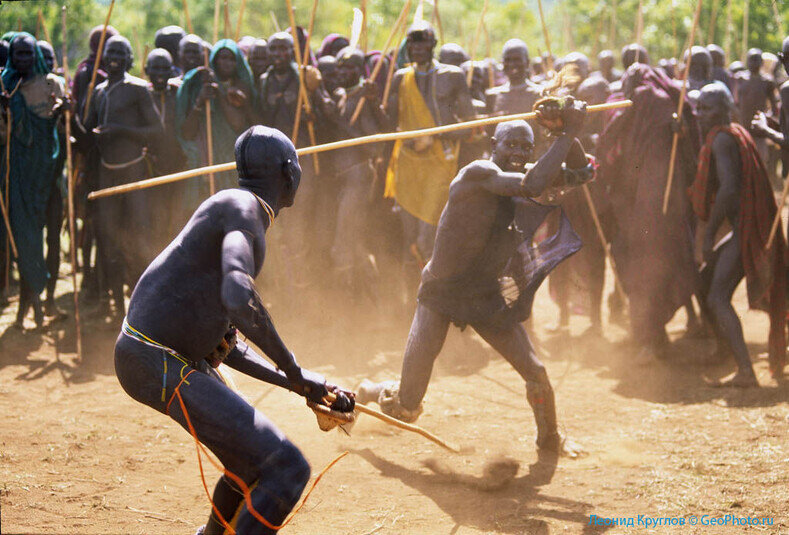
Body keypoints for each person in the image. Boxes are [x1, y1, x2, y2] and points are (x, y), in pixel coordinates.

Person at [115, 125, 354, 535]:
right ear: (289, 172)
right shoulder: (245, 211)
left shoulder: (237, 208)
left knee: (249, 464)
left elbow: (224, 345)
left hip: (155, 355)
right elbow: (238, 295)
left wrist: (302, 383)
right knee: (288, 468)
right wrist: (292, 368)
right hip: (153, 356)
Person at [358, 101, 595, 456]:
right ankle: (368, 391)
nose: (517, 153)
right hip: (441, 293)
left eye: (525, 147)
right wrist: (568, 132)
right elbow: (533, 184)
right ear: (494, 146)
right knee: (407, 405)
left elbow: (582, 171)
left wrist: (565, 130)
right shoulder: (478, 173)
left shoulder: (522, 175)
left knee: (536, 372)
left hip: (485, 296)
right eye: (510, 145)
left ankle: (550, 440)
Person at [596, 64, 700, 361]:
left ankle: (649, 342)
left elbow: (609, 154)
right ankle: (654, 337)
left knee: (642, 273)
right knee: (658, 270)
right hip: (667, 211)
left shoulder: (640, 103)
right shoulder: (666, 104)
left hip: (642, 214)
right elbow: (690, 159)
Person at [689, 83, 786, 384]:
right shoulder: (736, 131)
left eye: (707, 109)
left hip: (747, 227)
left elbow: (730, 189)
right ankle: (724, 350)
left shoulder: (722, 139)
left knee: (717, 296)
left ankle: (745, 370)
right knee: (704, 283)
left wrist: (707, 237)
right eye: (700, 108)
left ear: (723, 110)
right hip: (746, 224)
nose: (700, 114)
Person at [383, 21, 475, 285]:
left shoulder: (453, 75)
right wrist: (369, 97)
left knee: (427, 238)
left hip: (440, 164)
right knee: (409, 239)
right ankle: (411, 303)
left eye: (423, 41)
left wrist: (433, 135)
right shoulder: (401, 77)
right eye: (413, 41)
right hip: (408, 166)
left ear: (434, 44)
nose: (418, 47)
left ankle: (438, 293)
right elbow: (389, 126)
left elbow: (471, 125)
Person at [83, 35, 163, 317]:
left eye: (120, 51)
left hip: (135, 173)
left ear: (129, 59)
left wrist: (121, 130)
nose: (114, 56)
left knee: (139, 238)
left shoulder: (139, 89)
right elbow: (86, 133)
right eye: (110, 51)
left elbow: (157, 131)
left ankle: (143, 305)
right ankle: (116, 305)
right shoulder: (99, 91)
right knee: (109, 240)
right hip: (107, 175)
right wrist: (68, 115)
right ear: (102, 58)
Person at [0, 33, 67, 328]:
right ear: (11, 57)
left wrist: (64, 112)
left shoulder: (52, 84)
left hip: (48, 175)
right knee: (24, 240)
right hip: (18, 176)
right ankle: (31, 308)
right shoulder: (5, 85)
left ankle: (42, 302)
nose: (23, 60)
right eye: (18, 55)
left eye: (28, 54)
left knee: (48, 239)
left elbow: (59, 130)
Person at [177, 38, 256, 193]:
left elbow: (237, 124)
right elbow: (187, 133)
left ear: (238, 62)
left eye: (232, 59)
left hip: (233, 160)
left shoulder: (241, 87)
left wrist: (219, 91)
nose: (227, 63)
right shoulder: (197, 85)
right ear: (214, 59)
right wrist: (199, 102)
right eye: (222, 58)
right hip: (206, 160)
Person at [145, 48, 188, 244]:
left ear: (172, 70)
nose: (160, 74)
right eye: (156, 69)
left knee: (178, 219)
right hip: (150, 167)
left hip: (180, 165)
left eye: (165, 69)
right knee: (156, 218)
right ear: (147, 70)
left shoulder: (179, 93)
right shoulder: (142, 94)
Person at [734, 49, 777, 181]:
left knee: (760, 161)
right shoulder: (740, 78)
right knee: (741, 162)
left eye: (756, 59)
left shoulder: (767, 81)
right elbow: (735, 102)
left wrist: (768, 119)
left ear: (762, 62)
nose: (754, 63)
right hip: (743, 128)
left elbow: (775, 105)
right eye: (751, 59)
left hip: (759, 130)